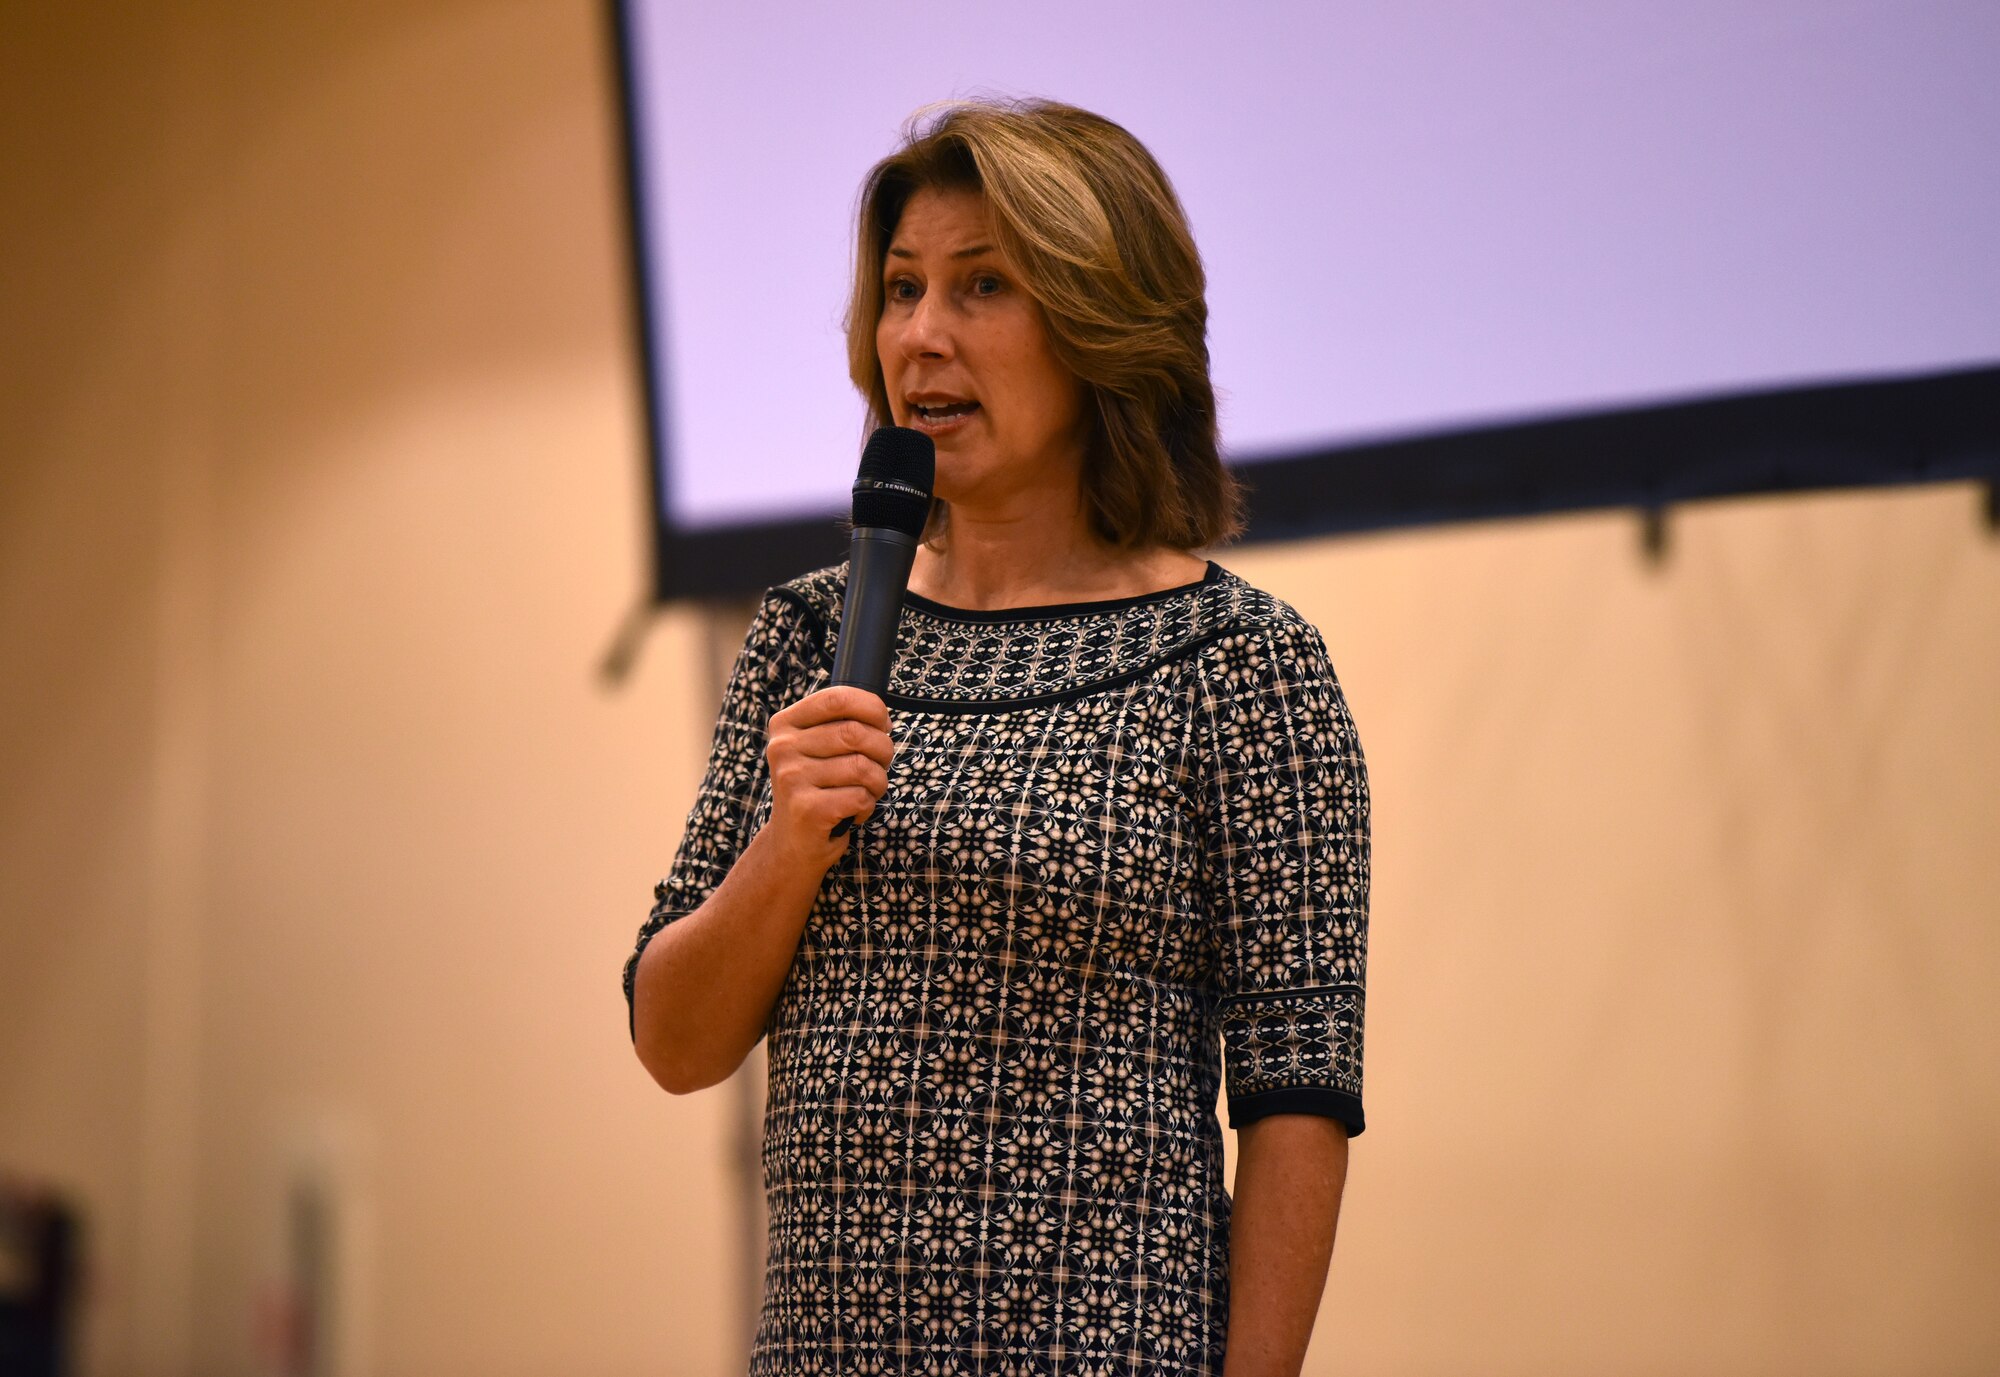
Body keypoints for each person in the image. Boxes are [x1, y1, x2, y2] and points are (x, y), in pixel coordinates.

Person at [625, 98, 1369, 1375]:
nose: (919, 336)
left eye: (981, 288)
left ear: (1098, 326)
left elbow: (1295, 1100)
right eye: (900, 288)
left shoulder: (1243, 667)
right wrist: (788, 847)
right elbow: (674, 1043)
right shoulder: (811, 635)